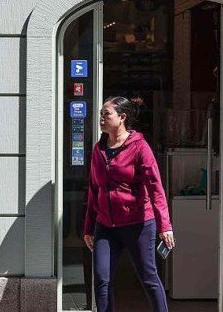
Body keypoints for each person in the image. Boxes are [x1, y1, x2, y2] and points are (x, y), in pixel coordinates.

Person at [83, 96, 174, 312]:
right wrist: (89, 227)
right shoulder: (98, 149)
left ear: (122, 117)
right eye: (101, 114)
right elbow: (94, 189)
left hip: (138, 224)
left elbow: (156, 188)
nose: (101, 118)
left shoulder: (140, 148)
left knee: (148, 277)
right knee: (102, 279)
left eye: (107, 114)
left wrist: (165, 225)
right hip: (105, 226)